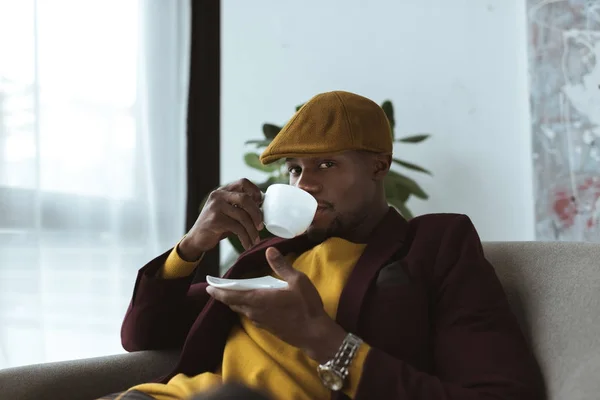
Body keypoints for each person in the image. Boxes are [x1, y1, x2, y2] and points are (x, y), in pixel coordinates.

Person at [100, 91, 545, 400]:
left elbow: (502, 394)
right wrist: (192, 246)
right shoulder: (274, 253)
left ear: (379, 165)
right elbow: (142, 335)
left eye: (326, 164)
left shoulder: (433, 247)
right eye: (294, 169)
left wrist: (322, 338)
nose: (304, 183)